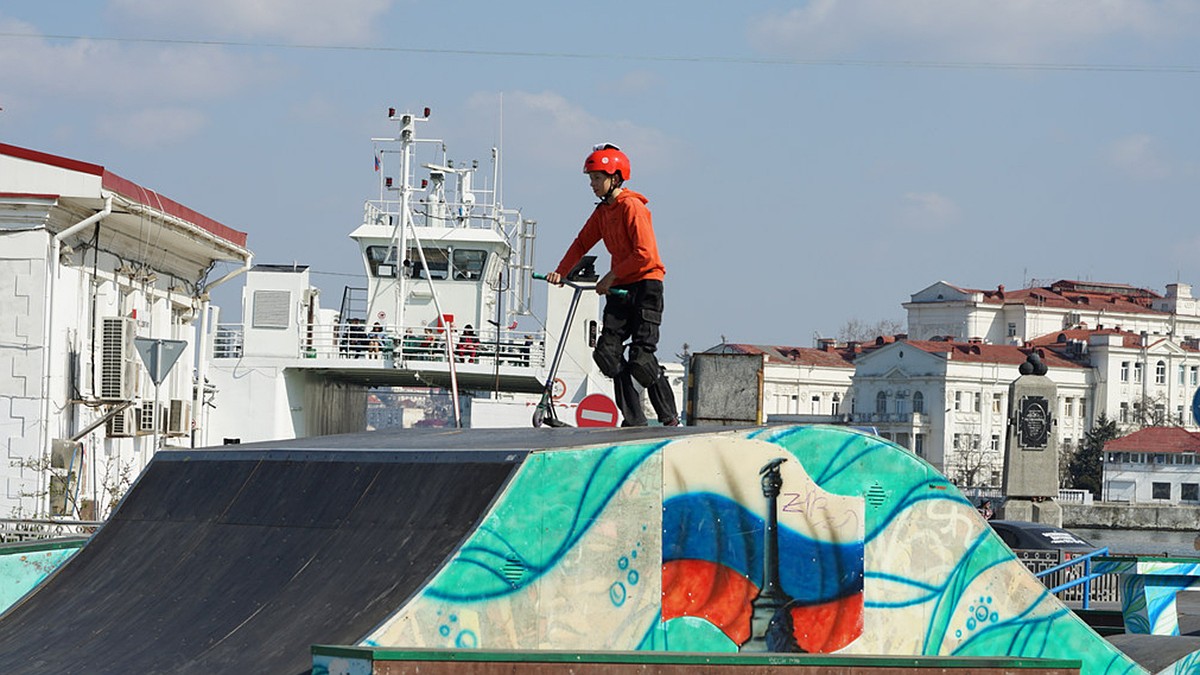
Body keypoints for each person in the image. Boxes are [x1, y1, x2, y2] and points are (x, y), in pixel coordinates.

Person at [545, 143, 678, 427]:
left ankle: (669, 418)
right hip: (621, 287)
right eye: (590, 178)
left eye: (597, 178)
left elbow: (645, 255)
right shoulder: (603, 212)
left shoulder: (632, 207)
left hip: (646, 286)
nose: (592, 184)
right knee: (608, 355)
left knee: (641, 359)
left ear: (615, 178)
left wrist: (611, 277)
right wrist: (560, 271)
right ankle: (634, 421)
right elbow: (581, 242)